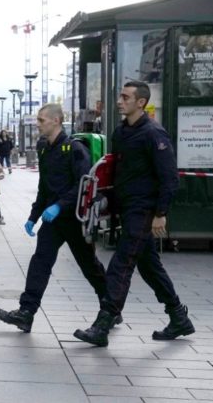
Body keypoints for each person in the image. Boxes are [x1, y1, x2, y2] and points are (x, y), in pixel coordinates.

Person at [74, 81, 193, 347]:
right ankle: (178, 317)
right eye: (120, 96)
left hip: (144, 210)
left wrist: (160, 212)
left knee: (121, 264)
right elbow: (115, 172)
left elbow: (169, 177)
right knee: (149, 266)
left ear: (141, 102)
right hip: (126, 210)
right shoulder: (121, 132)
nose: (120, 101)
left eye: (126, 97)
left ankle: (103, 324)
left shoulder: (153, 134)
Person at [0, 104, 110, 333]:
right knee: (40, 262)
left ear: (56, 120)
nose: (38, 124)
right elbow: (44, 187)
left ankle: (111, 308)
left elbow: (83, 184)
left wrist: (59, 205)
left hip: (74, 219)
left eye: (41, 120)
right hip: (53, 221)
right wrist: (33, 216)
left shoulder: (75, 149)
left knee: (89, 266)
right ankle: (26, 312)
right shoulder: (45, 149)